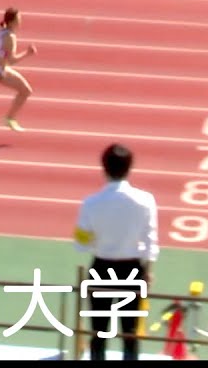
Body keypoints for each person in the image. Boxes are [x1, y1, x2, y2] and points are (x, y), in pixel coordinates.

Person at [73, 143, 159, 361]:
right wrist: (148, 271)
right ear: (130, 167)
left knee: (98, 331)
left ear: (104, 168)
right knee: (130, 332)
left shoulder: (90, 203)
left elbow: (81, 244)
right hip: (132, 269)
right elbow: (150, 241)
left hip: (101, 267)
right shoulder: (145, 200)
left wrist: (99, 240)